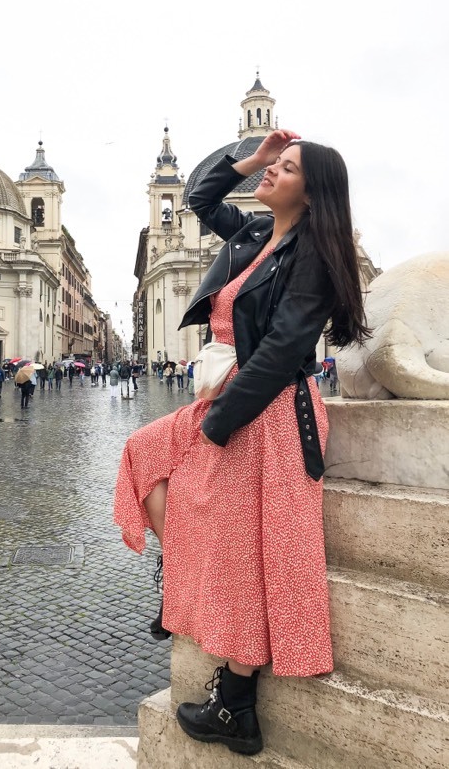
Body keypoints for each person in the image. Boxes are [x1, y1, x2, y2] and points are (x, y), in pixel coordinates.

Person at [113, 130, 370, 757]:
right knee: (142, 456)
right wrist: (248, 160)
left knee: (246, 548)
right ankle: (187, 583)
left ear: (312, 195)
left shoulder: (312, 252)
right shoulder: (256, 236)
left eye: (284, 169)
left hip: (270, 411)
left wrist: (217, 422)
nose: (271, 174)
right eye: (272, 166)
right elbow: (200, 199)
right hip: (229, 399)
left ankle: (236, 703)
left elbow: (284, 350)